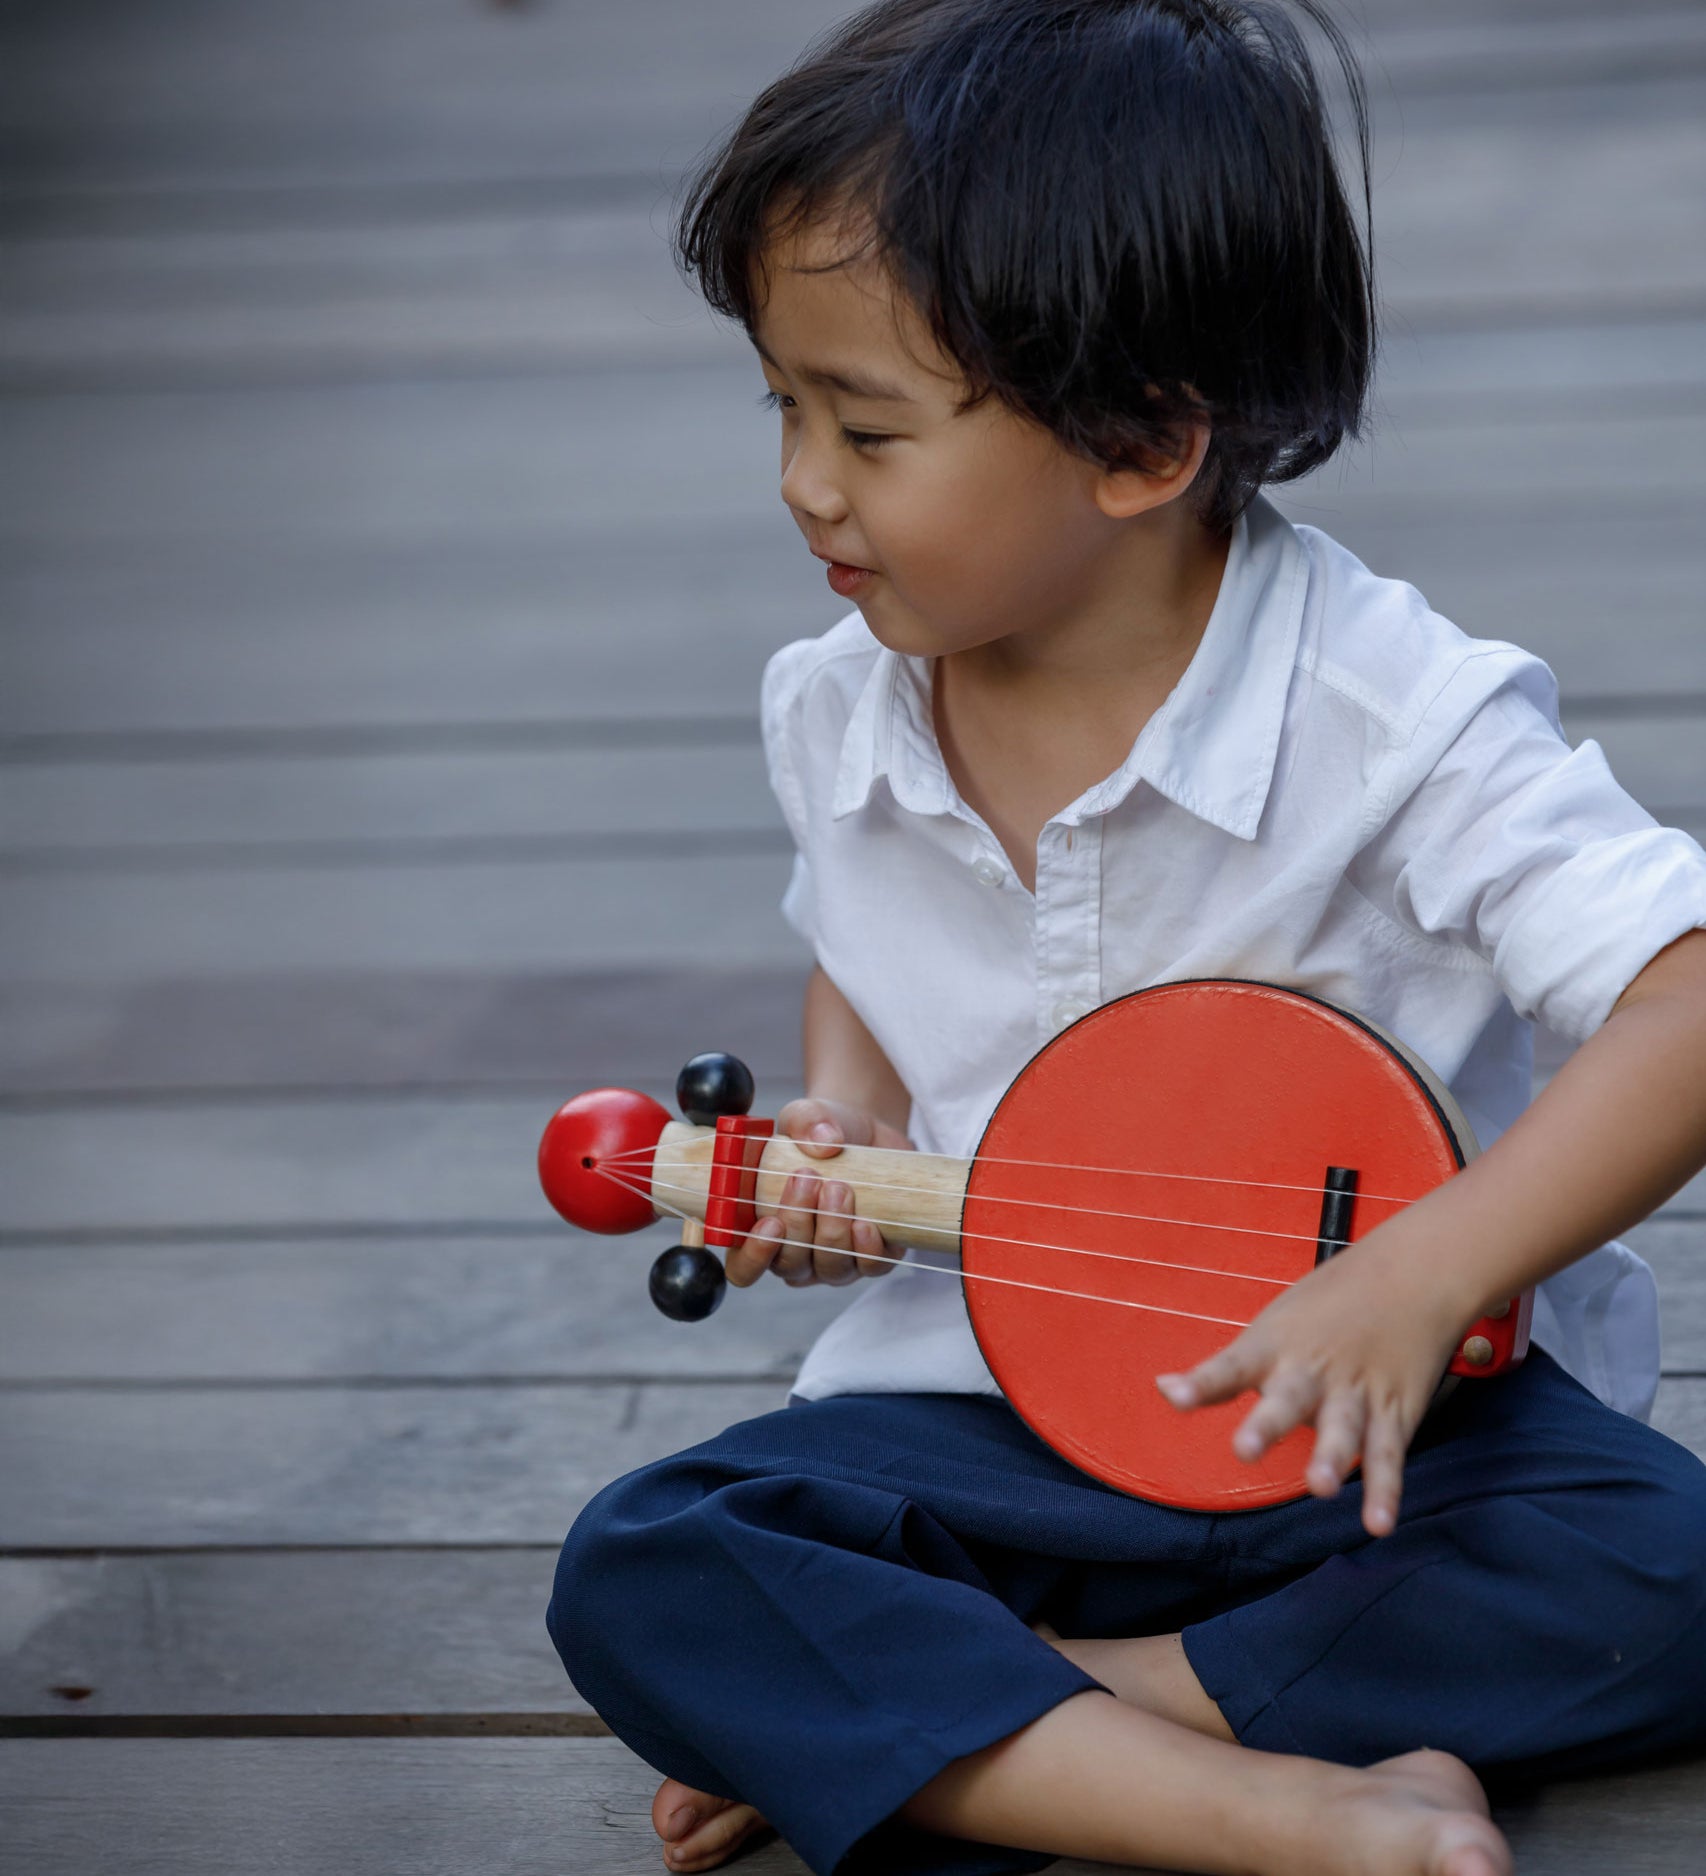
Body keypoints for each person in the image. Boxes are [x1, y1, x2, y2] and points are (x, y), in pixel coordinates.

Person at [547, 4, 1706, 1872]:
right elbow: (863, 921)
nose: (802, 482)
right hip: (995, 1410)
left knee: (1670, 1572)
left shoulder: (1392, 714)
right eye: (781, 404)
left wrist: (1417, 1280)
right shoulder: (838, 707)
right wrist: (843, 1110)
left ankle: (1006, 1709)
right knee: (653, 1565)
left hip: (1374, 1438)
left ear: (1141, 440)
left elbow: (1690, 991)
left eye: (867, 426)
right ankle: (1299, 1807)